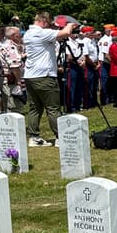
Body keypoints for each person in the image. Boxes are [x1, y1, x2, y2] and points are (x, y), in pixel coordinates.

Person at [23, 12, 77, 146]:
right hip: (44, 75)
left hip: (30, 76)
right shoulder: (40, 33)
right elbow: (64, 33)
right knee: (53, 108)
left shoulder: (28, 33)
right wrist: (70, 24)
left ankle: (34, 136)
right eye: (49, 24)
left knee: (34, 108)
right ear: (43, 21)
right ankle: (60, 136)